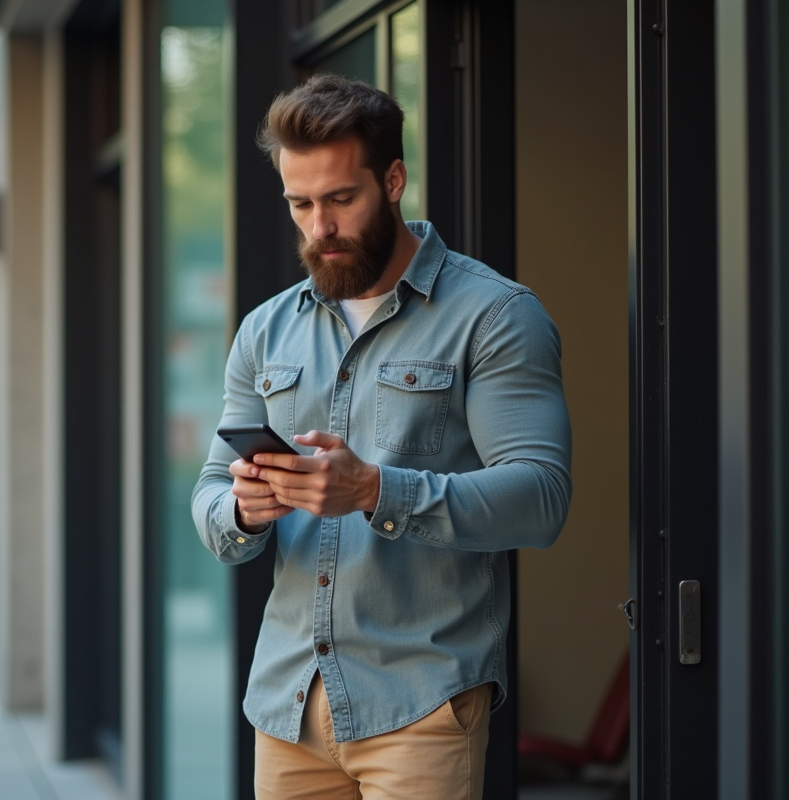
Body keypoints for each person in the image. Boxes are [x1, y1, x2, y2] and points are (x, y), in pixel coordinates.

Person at [191, 74, 572, 800]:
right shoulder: (265, 330)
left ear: (393, 180)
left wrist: (374, 489)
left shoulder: (493, 316)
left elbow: (542, 498)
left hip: (421, 706)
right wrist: (242, 510)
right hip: (288, 708)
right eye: (300, 204)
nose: (319, 228)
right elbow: (210, 493)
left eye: (340, 199)